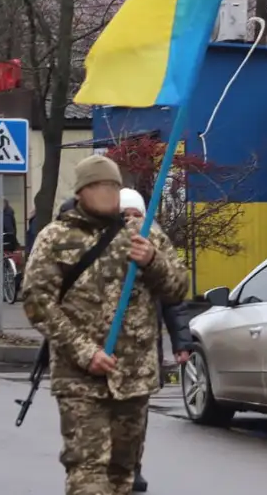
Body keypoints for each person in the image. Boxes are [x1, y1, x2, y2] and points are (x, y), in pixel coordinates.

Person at [23, 155, 188, 495]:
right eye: (99, 186)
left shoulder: (145, 237)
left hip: (134, 376)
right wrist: (85, 352)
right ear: (82, 191)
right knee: (88, 475)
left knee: (122, 475)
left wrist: (153, 262)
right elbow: (38, 303)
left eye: (113, 186)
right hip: (81, 380)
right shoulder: (56, 238)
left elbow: (177, 290)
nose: (108, 193)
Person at [119, 187, 191, 494]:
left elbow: (174, 299)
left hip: (143, 347)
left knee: (136, 409)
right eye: (125, 216)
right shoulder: (101, 243)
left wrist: (181, 342)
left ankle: (132, 465)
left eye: (136, 215)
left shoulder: (155, 244)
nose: (132, 222)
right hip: (105, 347)